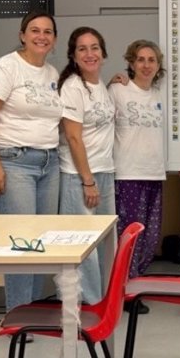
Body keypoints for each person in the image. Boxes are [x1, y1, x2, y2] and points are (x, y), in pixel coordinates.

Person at [0, 10, 63, 311]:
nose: (41, 36)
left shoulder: (53, 74)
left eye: (48, 32)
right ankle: (17, 316)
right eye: (35, 30)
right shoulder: (6, 68)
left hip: (49, 164)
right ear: (22, 35)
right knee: (21, 243)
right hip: (14, 163)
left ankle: (34, 312)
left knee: (41, 244)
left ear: (54, 39)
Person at [108, 40, 180, 312]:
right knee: (128, 236)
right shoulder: (118, 90)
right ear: (131, 63)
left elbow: (172, 135)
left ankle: (135, 285)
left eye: (152, 60)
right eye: (141, 59)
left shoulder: (160, 95)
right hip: (126, 173)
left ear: (158, 66)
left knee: (150, 236)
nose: (146, 65)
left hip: (154, 174)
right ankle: (125, 293)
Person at [57, 27, 115, 304]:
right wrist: (87, 180)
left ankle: (102, 297)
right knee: (83, 245)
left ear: (103, 53)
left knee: (104, 242)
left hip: (104, 171)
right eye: (82, 49)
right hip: (80, 176)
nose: (90, 54)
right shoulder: (72, 87)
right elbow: (72, 137)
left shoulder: (100, 85)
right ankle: (89, 303)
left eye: (95, 47)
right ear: (73, 55)